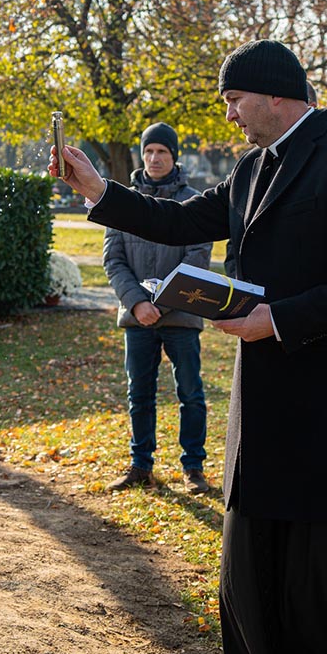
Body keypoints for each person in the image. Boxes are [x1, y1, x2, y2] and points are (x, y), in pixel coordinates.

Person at [51, 40, 327, 654]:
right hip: (262, 400)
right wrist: (97, 190)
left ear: (276, 95)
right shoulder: (250, 168)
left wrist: (279, 320)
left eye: (235, 99)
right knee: (255, 558)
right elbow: (177, 222)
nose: (229, 114)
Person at [103, 123, 212, 494]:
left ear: (174, 156)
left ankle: (194, 468)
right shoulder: (122, 202)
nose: (154, 158)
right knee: (140, 394)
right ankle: (140, 465)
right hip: (136, 318)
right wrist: (136, 303)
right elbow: (113, 260)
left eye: (162, 152)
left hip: (180, 315)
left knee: (191, 393)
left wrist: (161, 305)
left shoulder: (193, 201)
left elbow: (197, 260)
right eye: (149, 151)